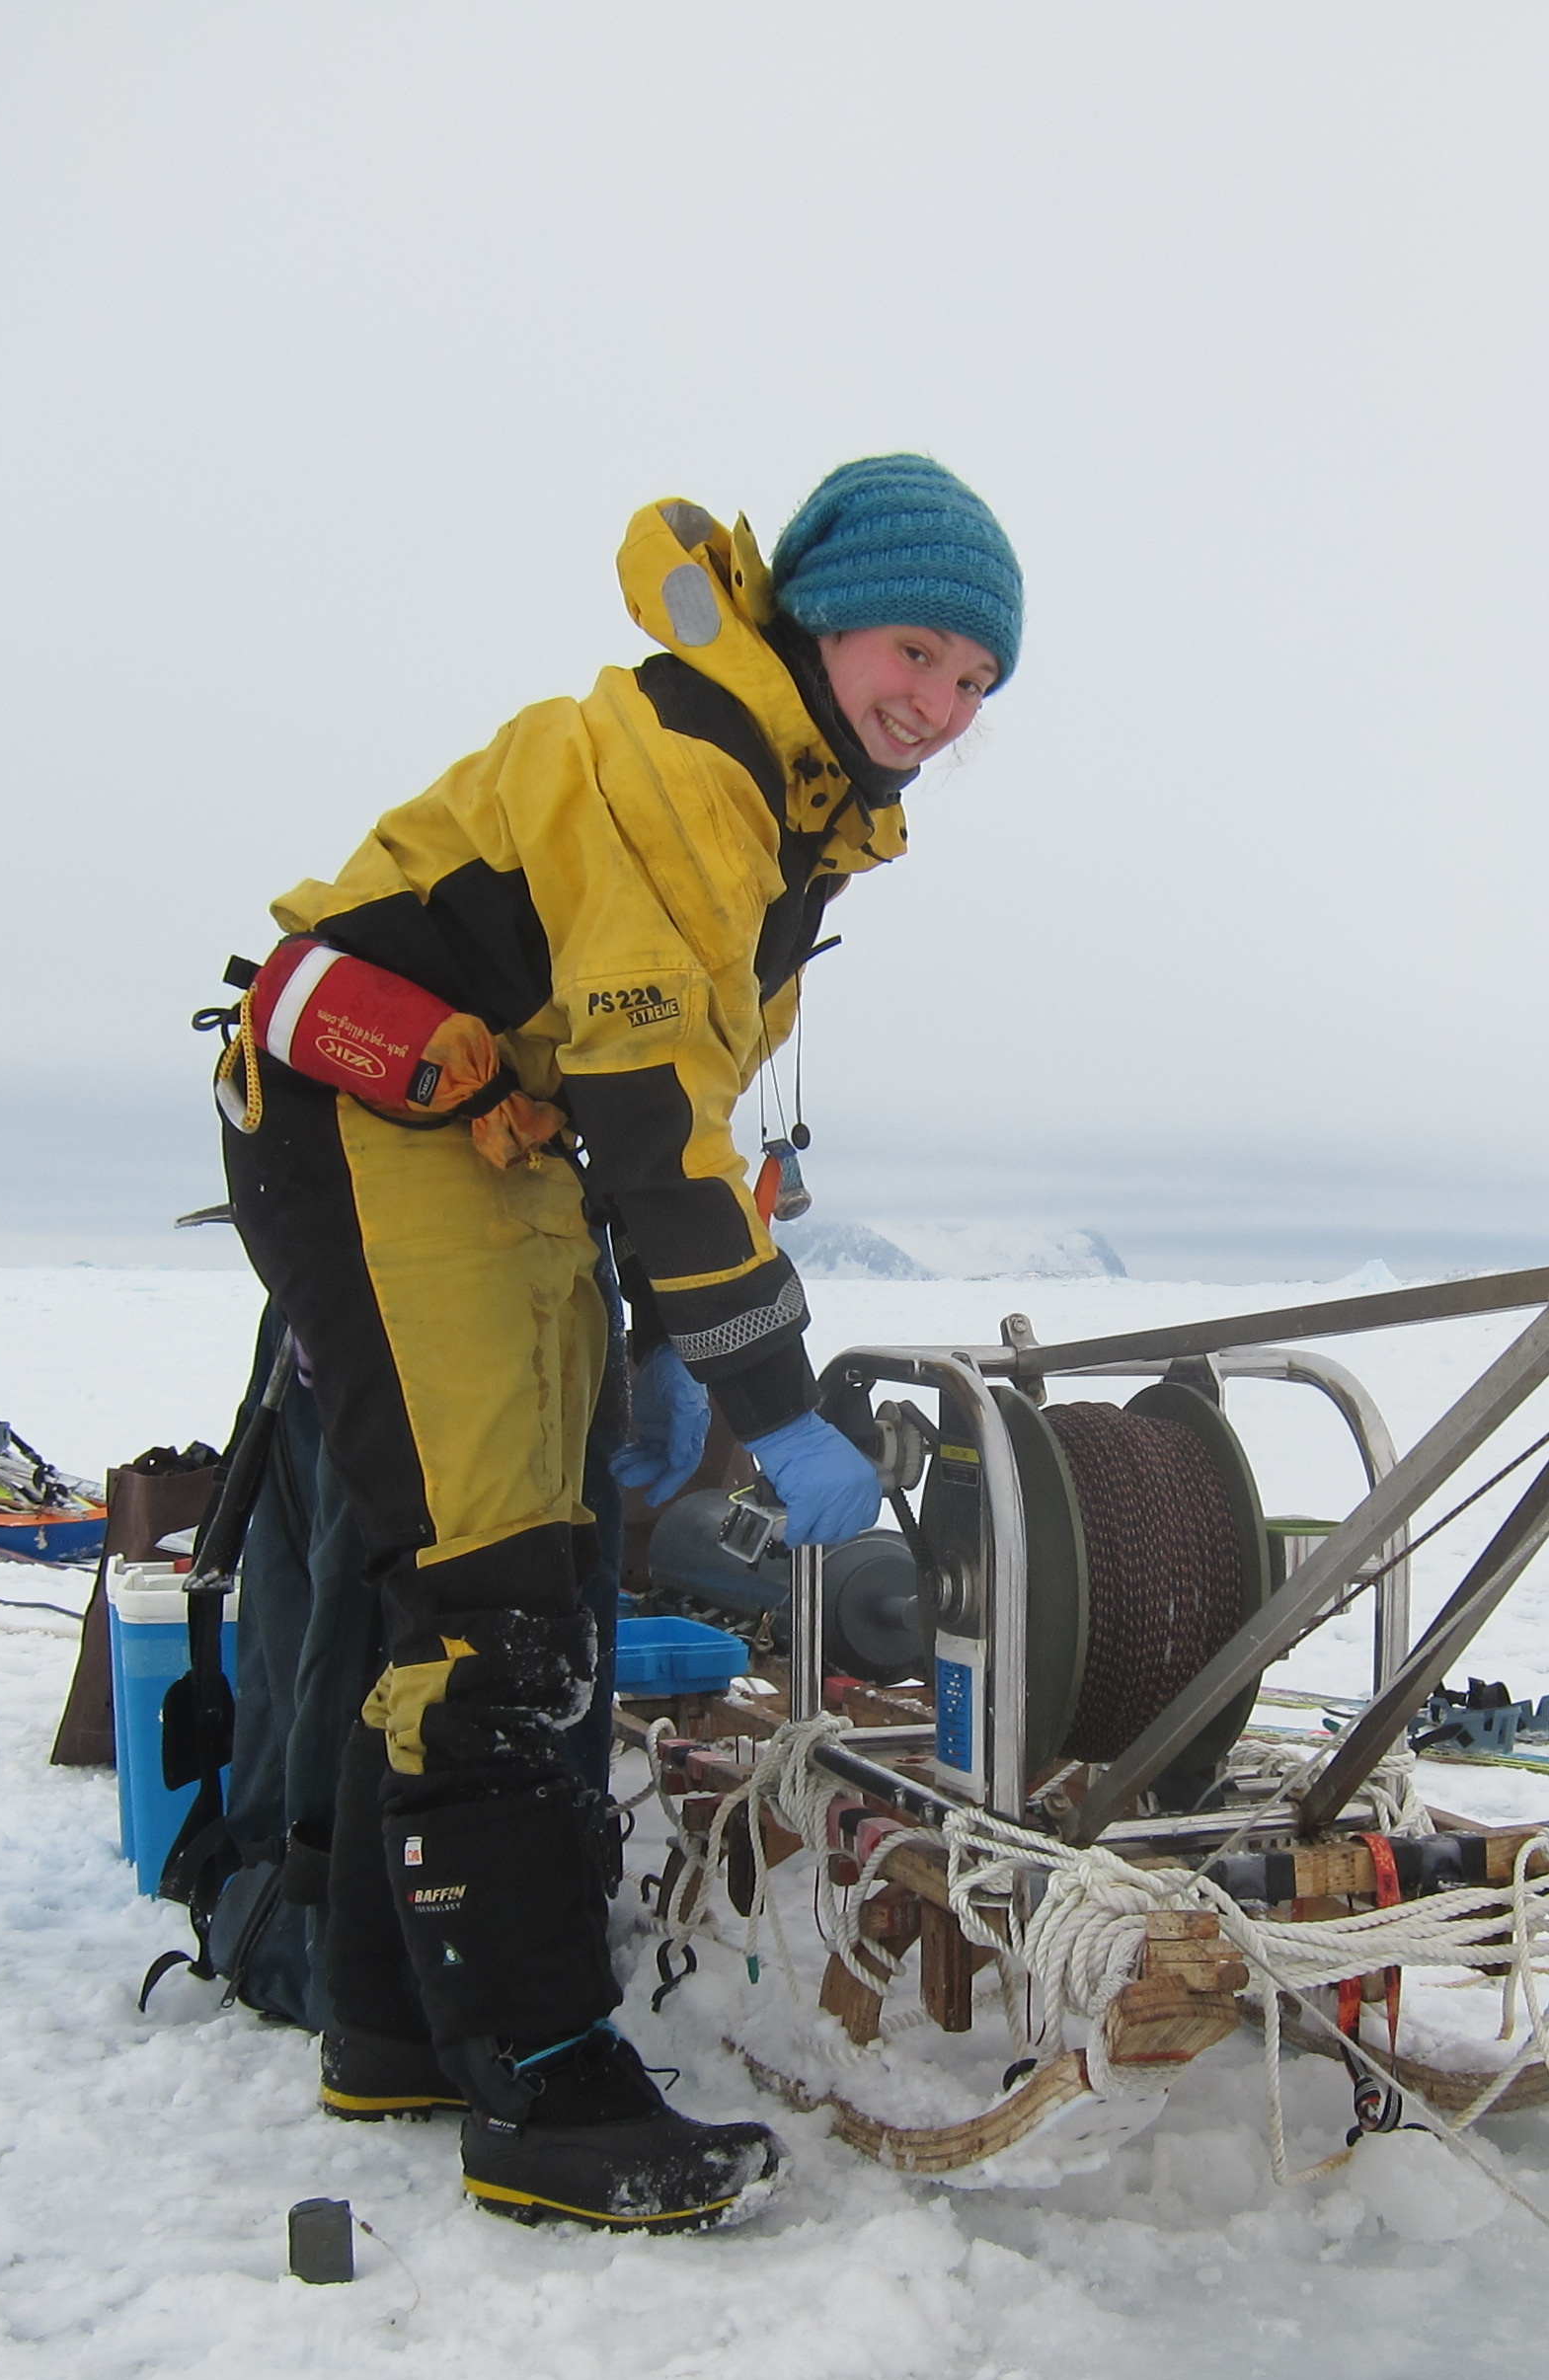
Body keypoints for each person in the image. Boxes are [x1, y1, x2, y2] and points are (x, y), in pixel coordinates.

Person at [217, 457, 1021, 2230]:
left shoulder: (783, 807)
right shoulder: (688, 766)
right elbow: (652, 1111)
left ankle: (391, 2025)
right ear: (819, 615)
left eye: (977, 681)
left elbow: (686, 1112)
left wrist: (705, 1326)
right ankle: (541, 2080)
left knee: (534, 1573)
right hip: (369, 1110)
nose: (939, 706)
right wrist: (768, 1394)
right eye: (915, 650)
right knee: (495, 1595)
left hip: (483, 1139)